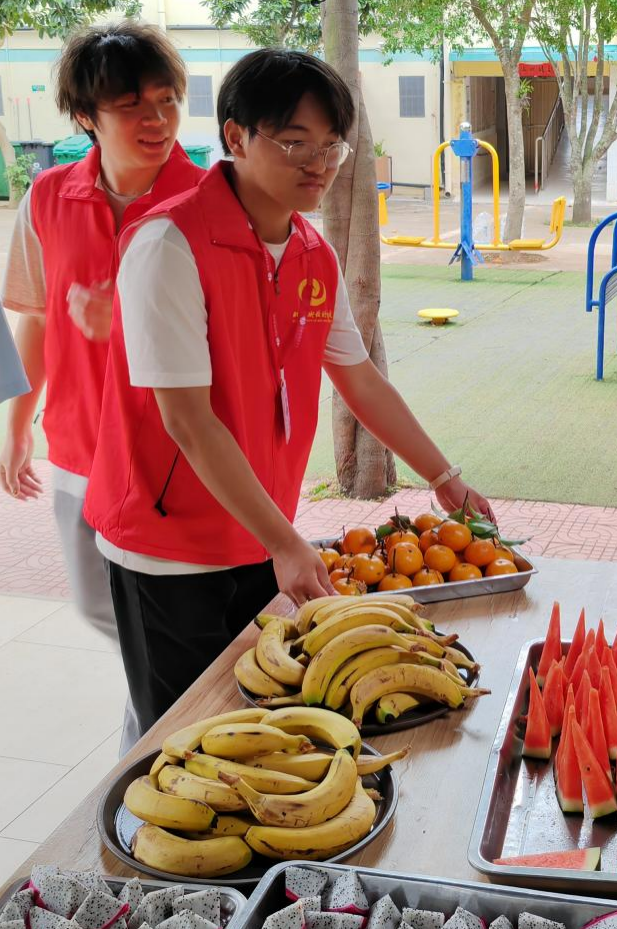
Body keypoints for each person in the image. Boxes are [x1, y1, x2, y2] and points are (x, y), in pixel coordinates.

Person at [84, 48, 491, 735]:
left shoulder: (311, 253)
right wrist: (285, 540)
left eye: (332, 145)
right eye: (295, 142)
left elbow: (360, 378)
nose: (319, 163)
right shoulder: (169, 245)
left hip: (260, 532)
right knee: (183, 735)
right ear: (237, 136)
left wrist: (443, 476)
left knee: (257, 722)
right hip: (167, 547)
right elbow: (188, 422)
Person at [0, 22, 205, 753]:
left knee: (166, 627)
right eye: (130, 105)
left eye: (166, 100)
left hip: (171, 457)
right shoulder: (48, 197)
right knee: (99, 607)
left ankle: (148, 758)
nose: (156, 119)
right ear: (86, 115)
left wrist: (122, 321)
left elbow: (230, 335)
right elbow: (34, 315)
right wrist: (17, 424)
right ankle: (165, 714)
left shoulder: (210, 201)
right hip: (79, 448)